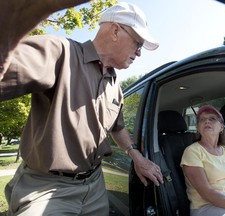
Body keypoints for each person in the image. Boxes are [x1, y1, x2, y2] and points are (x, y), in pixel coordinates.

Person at [0, 1, 163, 215]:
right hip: (47, 187)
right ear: (115, 31)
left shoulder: (116, 87)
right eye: (138, 44)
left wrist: (137, 157)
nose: (139, 53)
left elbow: (118, 128)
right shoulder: (60, 53)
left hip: (95, 185)